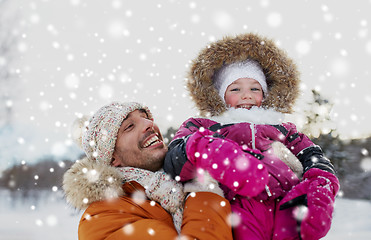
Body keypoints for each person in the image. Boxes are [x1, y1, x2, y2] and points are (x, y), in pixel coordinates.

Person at [164, 33, 339, 240]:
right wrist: (215, 153)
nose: (246, 95)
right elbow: (175, 160)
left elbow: (313, 156)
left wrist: (320, 186)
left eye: (254, 88)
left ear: (264, 94)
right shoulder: (204, 125)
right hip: (233, 205)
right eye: (236, 88)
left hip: (283, 204)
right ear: (220, 95)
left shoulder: (283, 128)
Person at [62, 101, 233, 240]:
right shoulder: (101, 219)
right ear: (112, 158)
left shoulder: (179, 183)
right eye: (129, 126)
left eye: (146, 118)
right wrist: (204, 192)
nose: (149, 124)